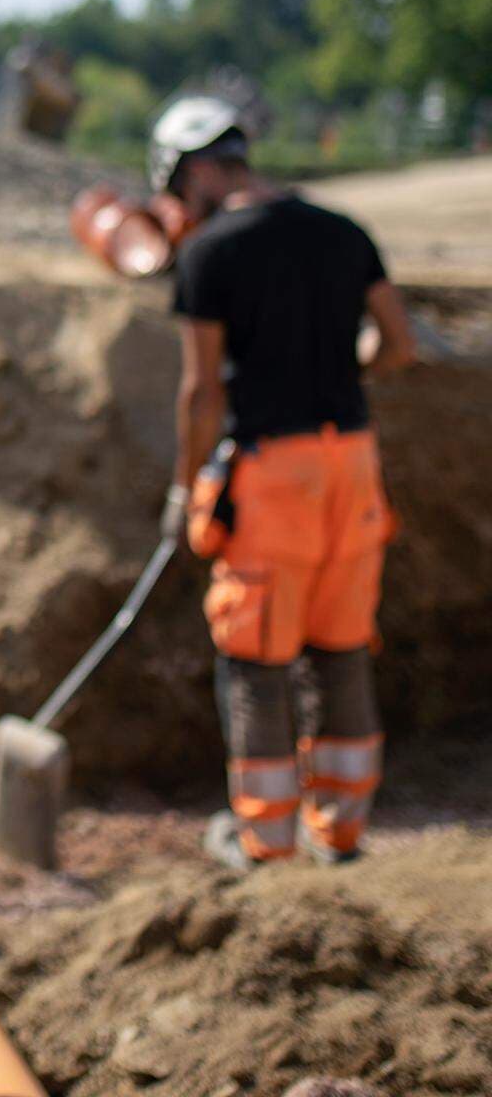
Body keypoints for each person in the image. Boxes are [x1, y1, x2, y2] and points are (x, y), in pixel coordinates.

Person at [149, 96, 417, 872]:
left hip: (274, 475)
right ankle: (341, 832)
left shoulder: (210, 255)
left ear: (197, 171)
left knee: (258, 660)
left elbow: (202, 395)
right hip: (355, 465)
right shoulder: (344, 232)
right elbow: (397, 343)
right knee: (340, 647)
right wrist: (336, 369)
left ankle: (265, 843)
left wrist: (182, 488)